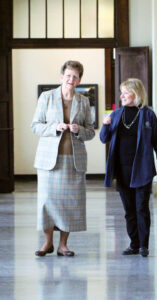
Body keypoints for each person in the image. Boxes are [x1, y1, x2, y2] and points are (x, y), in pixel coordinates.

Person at [31, 60, 95, 257]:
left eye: (75, 76)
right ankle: (47, 243)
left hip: (73, 161)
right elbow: (35, 126)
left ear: (80, 80)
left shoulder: (83, 101)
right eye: (68, 75)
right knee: (47, 202)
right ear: (61, 77)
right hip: (49, 161)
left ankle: (63, 245)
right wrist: (54, 128)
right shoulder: (47, 97)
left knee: (70, 203)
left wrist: (79, 130)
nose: (71, 79)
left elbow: (91, 132)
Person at [100, 78, 157, 257]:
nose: (121, 95)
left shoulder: (148, 115)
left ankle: (144, 245)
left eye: (125, 92)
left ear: (136, 94)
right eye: (121, 92)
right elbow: (103, 138)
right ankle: (134, 244)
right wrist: (105, 125)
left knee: (141, 208)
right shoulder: (115, 114)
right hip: (122, 170)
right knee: (129, 210)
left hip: (142, 169)